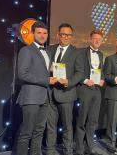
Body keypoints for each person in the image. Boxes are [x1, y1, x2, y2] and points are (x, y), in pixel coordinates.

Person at [15, 21, 57, 155]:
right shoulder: (26, 50)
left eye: (45, 33)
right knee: (26, 132)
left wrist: (53, 71)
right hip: (31, 97)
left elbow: (43, 71)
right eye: (39, 32)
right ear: (33, 34)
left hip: (45, 97)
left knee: (39, 131)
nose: (42, 35)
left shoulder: (48, 52)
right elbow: (22, 74)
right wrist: (46, 80)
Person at [46, 23, 84, 155]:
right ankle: (50, 150)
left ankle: (67, 151)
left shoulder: (77, 52)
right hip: (50, 93)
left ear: (71, 36)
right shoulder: (49, 49)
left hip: (67, 94)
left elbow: (80, 72)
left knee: (67, 126)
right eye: (63, 34)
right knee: (50, 126)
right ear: (58, 35)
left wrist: (69, 82)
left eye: (69, 35)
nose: (66, 37)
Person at [76, 30, 104, 155]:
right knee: (81, 120)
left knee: (93, 121)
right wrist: (85, 80)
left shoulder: (101, 54)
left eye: (99, 39)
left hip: (97, 91)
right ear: (90, 39)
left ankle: (90, 147)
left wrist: (102, 79)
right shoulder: (81, 52)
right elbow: (76, 70)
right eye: (95, 38)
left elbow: (100, 70)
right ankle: (79, 149)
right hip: (84, 90)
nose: (97, 41)